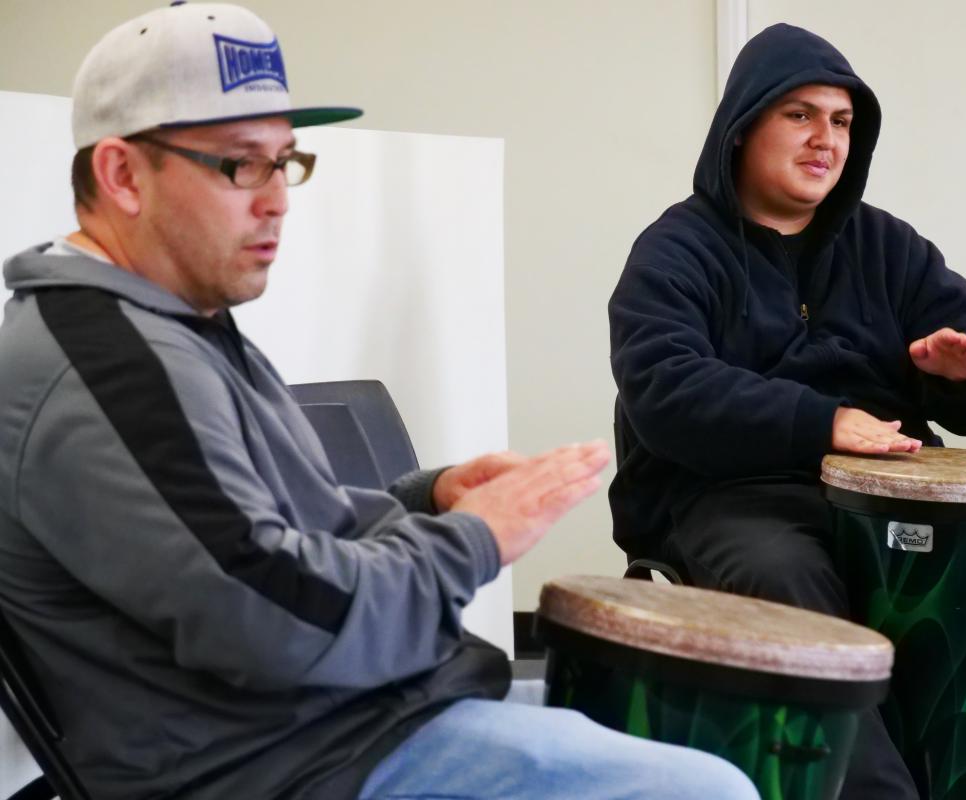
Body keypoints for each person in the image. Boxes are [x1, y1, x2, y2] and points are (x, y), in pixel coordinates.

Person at [0, 4, 761, 799]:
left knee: (707, 734)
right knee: (711, 788)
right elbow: (280, 616)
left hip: (352, 719)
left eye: (283, 162)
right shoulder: (106, 368)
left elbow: (259, 533)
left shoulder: (168, 325)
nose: (277, 200)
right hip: (297, 763)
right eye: (239, 165)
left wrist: (427, 499)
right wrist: (475, 538)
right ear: (123, 175)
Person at [609, 23, 966, 800]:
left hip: (891, 492)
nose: (826, 139)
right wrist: (822, 422)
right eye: (800, 115)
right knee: (790, 579)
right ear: (742, 124)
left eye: (843, 121)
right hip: (734, 499)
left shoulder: (886, 246)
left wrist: (959, 377)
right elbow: (665, 388)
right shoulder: (678, 249)